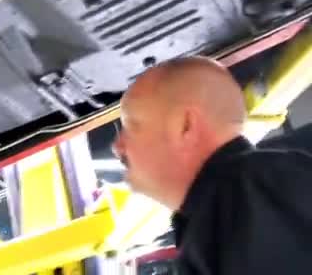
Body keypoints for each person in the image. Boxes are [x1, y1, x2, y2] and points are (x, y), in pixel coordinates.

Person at [112, 56, 312, 274]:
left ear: (185, 125)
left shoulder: (249, 195)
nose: (117, 147)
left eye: (133, 126)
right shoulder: (231, 203)